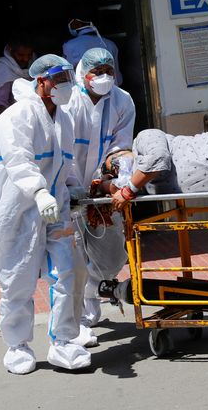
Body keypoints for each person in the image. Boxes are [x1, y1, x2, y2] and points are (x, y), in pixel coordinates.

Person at [0, 54, 91, 374]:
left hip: (55, 207)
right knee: (18, 277)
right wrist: (38, 190)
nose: (67, 86)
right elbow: (18, 161)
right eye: (60, 80)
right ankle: (17, 346)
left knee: (66, 272)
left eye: (69, 79)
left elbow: (66, 160)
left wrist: (71, 188)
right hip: (20, 210)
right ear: (41, 81)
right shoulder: (16, 117)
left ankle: (63, 341)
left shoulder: (66, 117)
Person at [67, 48, 134, 345]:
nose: (105, 77)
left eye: (110, 70)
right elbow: (61, 147)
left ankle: (94, 294)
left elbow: (120, 146)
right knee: (73, 251)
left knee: (109, 248)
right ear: (84, 74)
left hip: (100, 187)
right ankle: (78, 319)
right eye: (99, 72)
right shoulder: (69, 100)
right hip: (68, 185)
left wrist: (113, 178)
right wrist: (68, 186)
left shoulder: (122, 100)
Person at [0, 31, 35, 117]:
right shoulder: (2, 68)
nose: (26, 59)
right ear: (10, 50)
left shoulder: (35, 62)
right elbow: (0, 103)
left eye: (29, 55)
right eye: (21, 55)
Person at [63, 18, 122, 86]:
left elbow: (68, 76)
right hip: (112, 91)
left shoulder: (69, 45)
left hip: (84, 93)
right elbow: (118, 79)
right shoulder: (111, 44)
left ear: (78, 23)